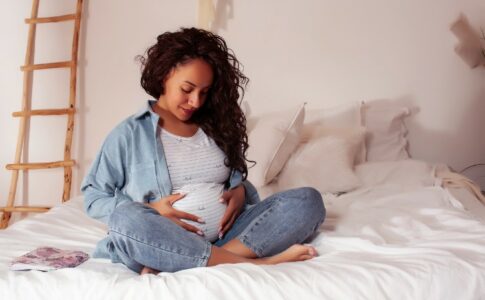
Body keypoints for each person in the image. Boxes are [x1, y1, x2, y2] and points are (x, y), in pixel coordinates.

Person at [81, 27, 326, 275]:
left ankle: (188, 260)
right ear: (165, 75)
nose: (196, 102)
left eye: (204, 92)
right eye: (187, 90)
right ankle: (256, 263)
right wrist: (152, 210)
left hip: (227, 236)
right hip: (162, 238)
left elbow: (230, 179)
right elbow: (93, 196)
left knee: (307, 201)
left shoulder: (215, 126)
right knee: (126, 221)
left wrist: (240, 191)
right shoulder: (129, 133)